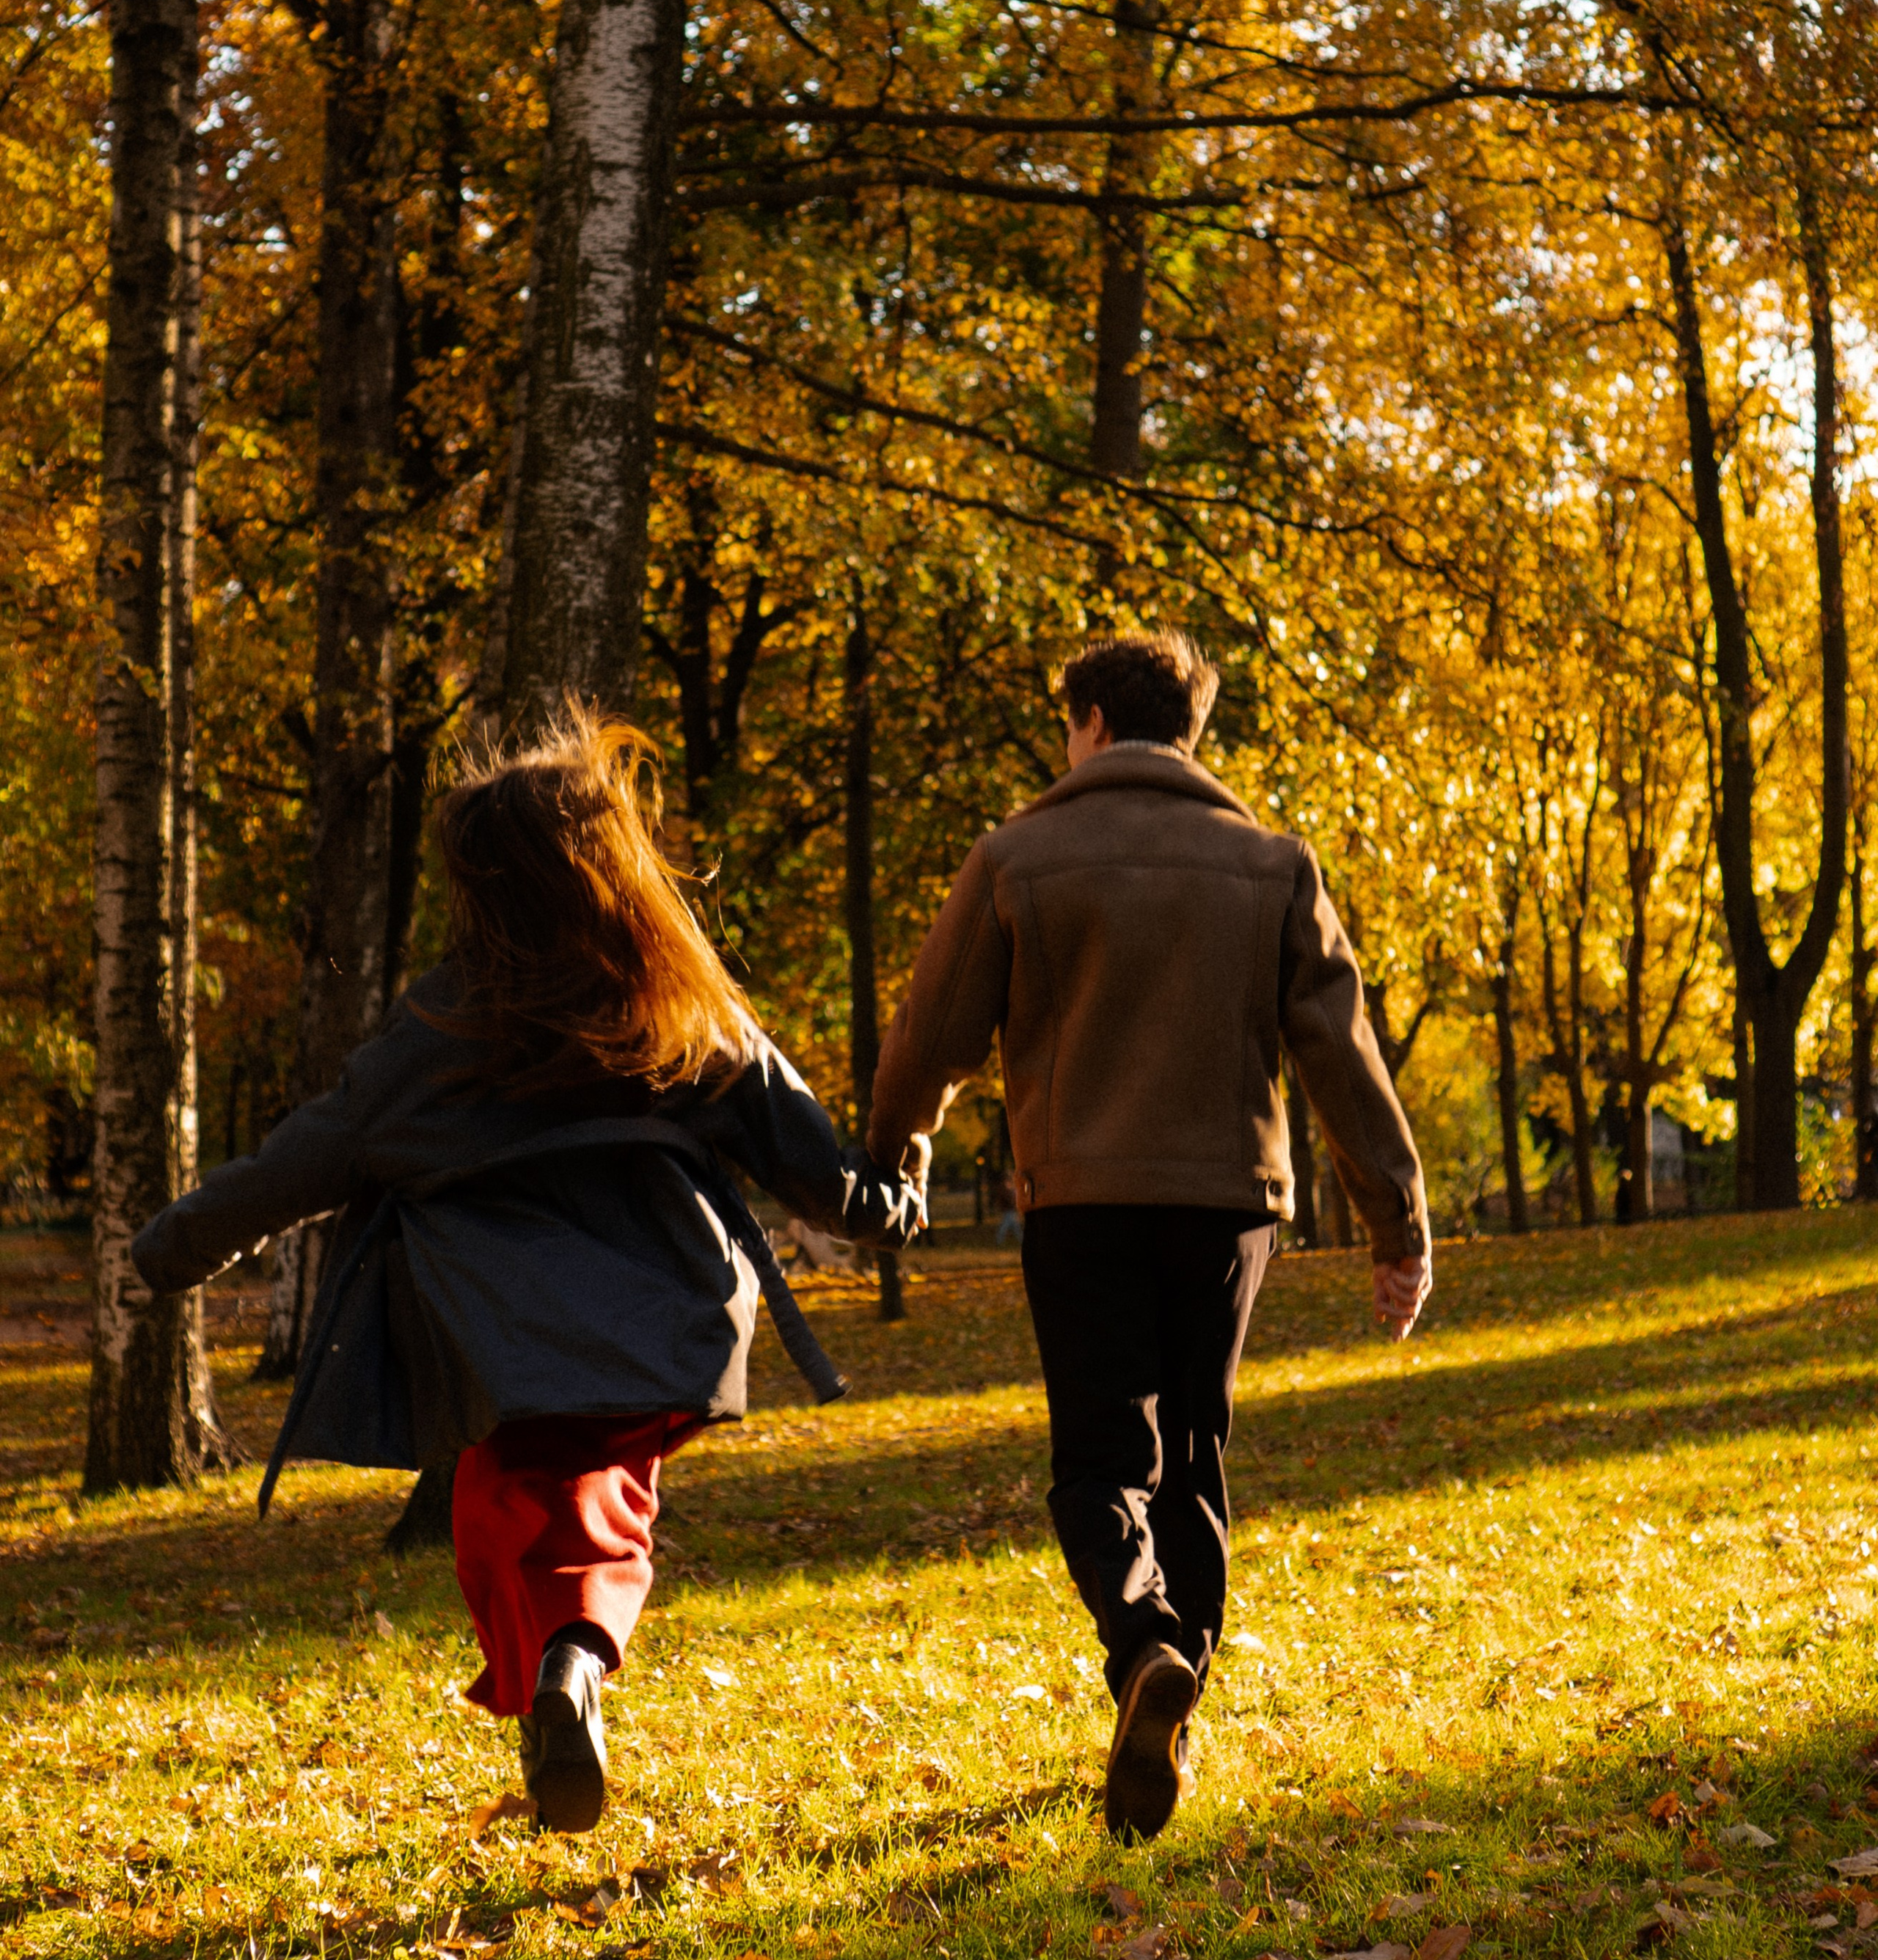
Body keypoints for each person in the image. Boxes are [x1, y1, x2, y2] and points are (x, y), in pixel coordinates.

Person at [133, 710, 926, 1833]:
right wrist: (901, 1198)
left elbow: (292, 1165)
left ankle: (562, 1669)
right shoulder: (684, 1010)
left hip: (496, 1344)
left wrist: (172, 1249)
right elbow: (811, 1163)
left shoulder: (428, 1039)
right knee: (605, 1501)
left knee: (502, 1506)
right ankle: (572, 1669)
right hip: (664, 1330)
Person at [866, 631, 1429, 1843]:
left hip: (1078, 1199)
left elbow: (933, 1033)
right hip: (1228, 1205)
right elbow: (1341, 1050)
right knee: (1195, 1449)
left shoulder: (1018, 856)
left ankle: (1142, 1650)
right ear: (1189, 731)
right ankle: (1179, 1691)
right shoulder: (1272, 863)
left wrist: (895, 1146)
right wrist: (1398, 1221)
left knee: (1100, 1461)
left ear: (1086, 721)